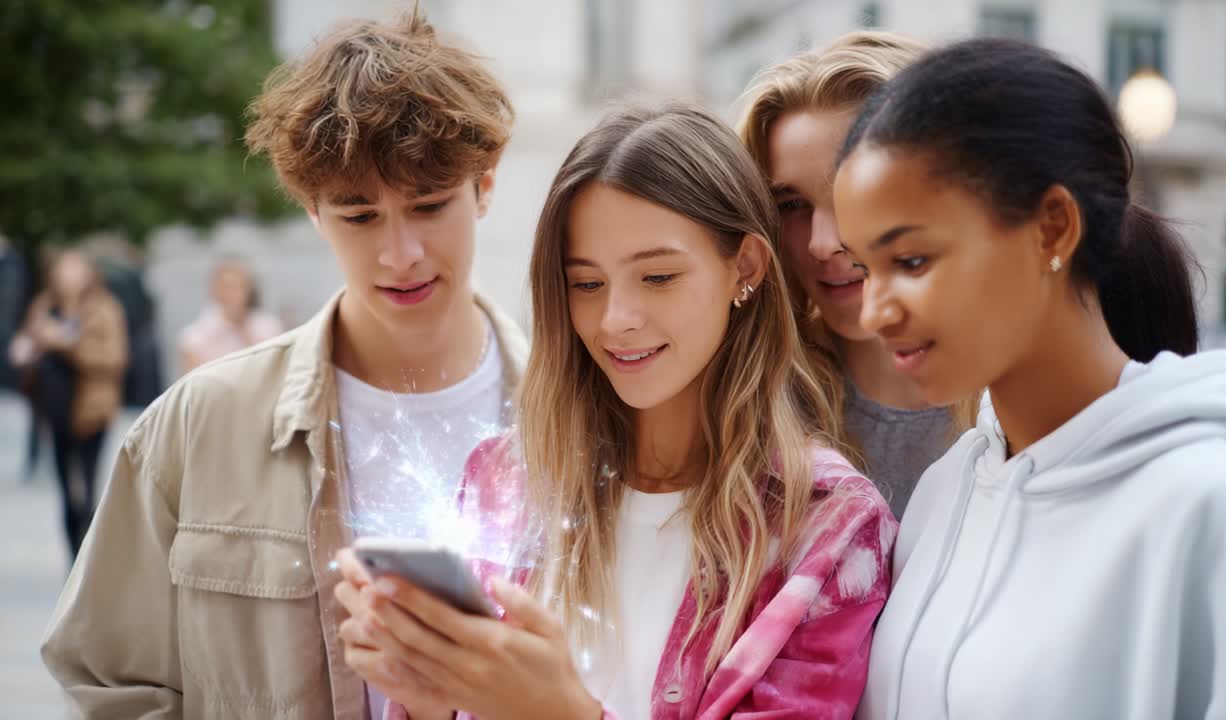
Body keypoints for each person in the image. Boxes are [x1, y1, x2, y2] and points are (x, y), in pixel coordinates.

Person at [334, 103, 896, 720]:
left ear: (745, 267)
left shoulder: (830, 527)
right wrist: (426, 698)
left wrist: (559, 713)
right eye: (587, 284)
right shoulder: (504, 481)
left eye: (657, 277)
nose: (616, 320)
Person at [41, 12, 529, 718]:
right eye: (360, 217)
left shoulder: (583, 418)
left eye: (428, 207)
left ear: (485, 187)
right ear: (311, 209)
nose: (400, 254)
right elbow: (103, 677)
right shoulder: (202, 422)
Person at [829, 38, 1226, 719]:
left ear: (1052, 228)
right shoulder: (946, 490)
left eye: (912, 261)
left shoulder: (1207, 502)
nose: (874, 312)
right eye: (866, 269)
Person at [737, 31, 973, 519]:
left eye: (854, 193)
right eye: (792, 205)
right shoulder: (755, 409)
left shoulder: (1026, 397)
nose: (822, 242)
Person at [10, 250, 127, 560]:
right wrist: (26, 348)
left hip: (91, 411)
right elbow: (28, 340)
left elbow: (115, 358)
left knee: (86, 488)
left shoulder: (105, 308)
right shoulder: (44, 305)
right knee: (65, 490)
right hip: (55, 408)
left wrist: (67, 344)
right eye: (64, 270)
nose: (69, 277)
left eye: (76, 269)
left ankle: (90, 559)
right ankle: (73, 559)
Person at [178, 257, 284, 373]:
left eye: (238, 286)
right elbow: (196, 378)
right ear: (213, 290)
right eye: (226, 287)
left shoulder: (267, 326)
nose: (231, 294)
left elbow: (274, 368)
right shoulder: (194, 337)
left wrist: (243, 330)